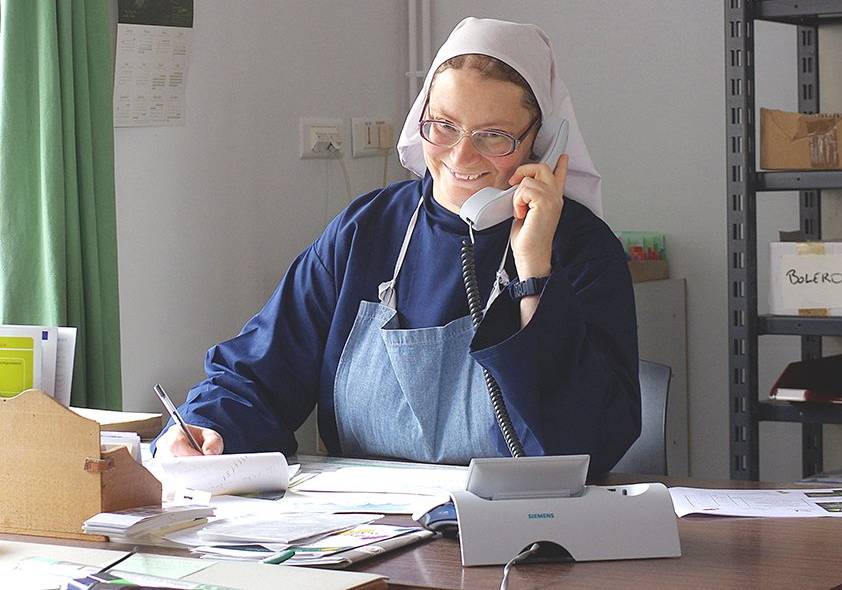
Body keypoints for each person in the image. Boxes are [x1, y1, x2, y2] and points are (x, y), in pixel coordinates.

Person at [154, 17, 640, 478]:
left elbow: (589, 445)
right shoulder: (366, 231)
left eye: (494, 136)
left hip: (522, 536)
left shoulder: (583, 250)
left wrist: (534, 273)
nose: (460, 156)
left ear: (543, 141)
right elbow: (257, 373)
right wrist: (205, 426)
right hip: (365, 533)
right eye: (443, 125)